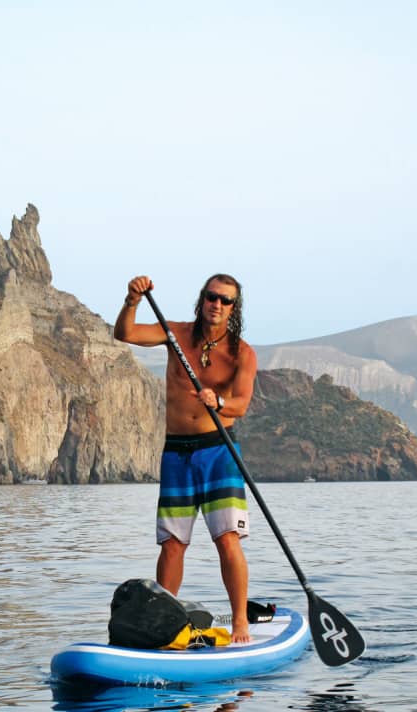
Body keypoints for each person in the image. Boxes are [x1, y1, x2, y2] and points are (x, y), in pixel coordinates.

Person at [113, 274, 258, 643]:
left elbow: (241, 404)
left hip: (218, 451)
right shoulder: (175, 334)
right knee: (172, 543)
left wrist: (218, 401)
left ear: (234, 308)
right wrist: (132, 301)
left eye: (226, 300)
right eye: (212, 297)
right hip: (177, 452)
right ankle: (163, 625)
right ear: (202, 299)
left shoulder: (242, 353)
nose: (217, 304)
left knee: (227, 538)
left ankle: (241, 622)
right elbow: (124, 334)